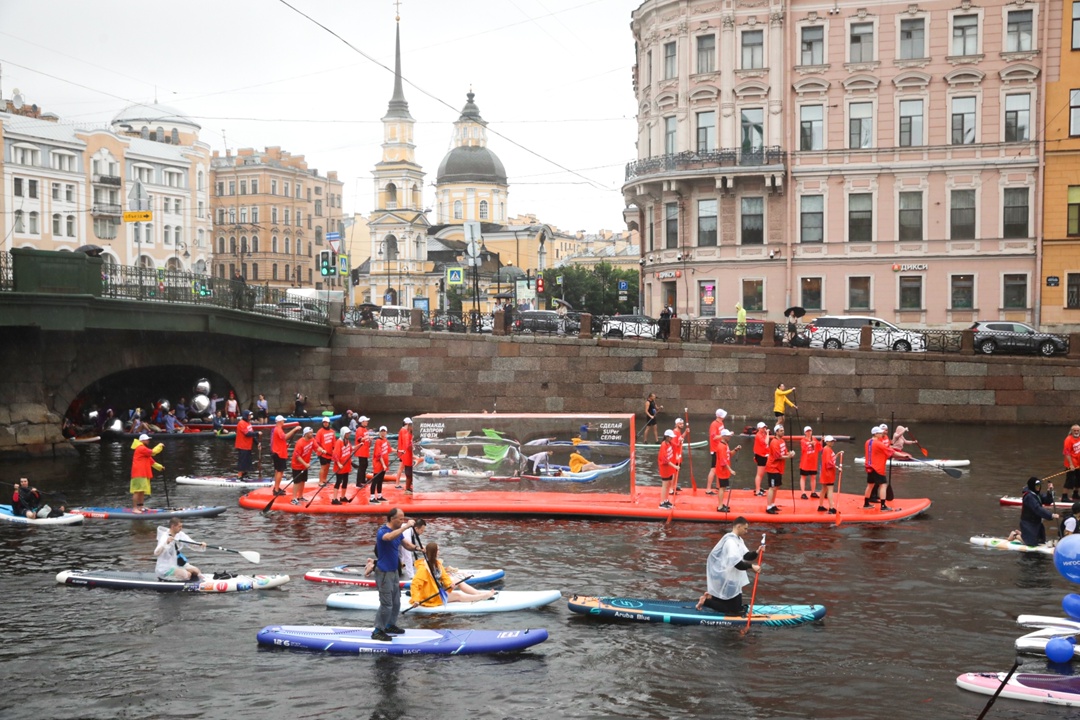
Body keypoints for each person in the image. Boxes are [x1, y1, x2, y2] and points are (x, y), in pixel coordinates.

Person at [696, 517, 761, 615]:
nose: (746, 531)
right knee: (732, 610)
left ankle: (711, 597)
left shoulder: (739, 540)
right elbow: (737, 564)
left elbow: (746, 555)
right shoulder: (730, 542)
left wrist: (757, 551)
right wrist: (752, 567)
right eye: (745, 528)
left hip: (733, 577)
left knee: (736, 607)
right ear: (739, 526)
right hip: (727, 578)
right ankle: (706, 601)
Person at [371, 508, 415, 641]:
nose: (402, 521)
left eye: (403, 519)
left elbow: (406, 545)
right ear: (391, 519)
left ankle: (390, 625)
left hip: (394, 572)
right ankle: (378, 630)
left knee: (396, 602)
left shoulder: (398, 534)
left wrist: (418, 548)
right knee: (387, 604)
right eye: (400, 519)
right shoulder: (383, 531)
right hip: (383, 573)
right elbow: (389, 537)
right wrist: (406, 526)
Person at [409, 542, 495, 606]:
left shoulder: (437, 564)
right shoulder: (423, 569)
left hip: (439, 590)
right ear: (434, 552)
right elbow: (415, 585)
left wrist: (450, 584)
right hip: (431, 596)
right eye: (438, 550)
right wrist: (416, 600)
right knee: (458, 595)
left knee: (457, 581)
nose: (439, 551)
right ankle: (482, 597)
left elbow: (445, 578)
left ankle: (478, 593)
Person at [1006, 477, 1059, 546]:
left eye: (1039, 485)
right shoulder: (1029, 496)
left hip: (1037, 523)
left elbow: (1047, 501)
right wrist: (1051, 515)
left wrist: (1049, 491)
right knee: (1031, 544)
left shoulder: (1036, 494)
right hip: (1028, 523)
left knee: (1041, 541)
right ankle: (1015, 535)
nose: (1038, 487)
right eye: (1037, 486)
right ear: (1032, 486)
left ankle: (1021, 534)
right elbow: (1037, 508)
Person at [863, 425, 897, 511]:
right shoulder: (878, 443)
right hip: (877, 468)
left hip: (869, 466)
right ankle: (883, 506)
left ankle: (866, 504)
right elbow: (890, 452)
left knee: (870, 485)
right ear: (875, 434)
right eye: (880, 433)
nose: (882, 434)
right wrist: (904, 455)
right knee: (883, 485)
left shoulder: (867, 442)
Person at [130, 434, 165, 513]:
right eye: (147, 439)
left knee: (142, 490)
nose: (148, 441)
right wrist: (159, 446)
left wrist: (160, 467)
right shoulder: (141, 448)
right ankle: (134, 508)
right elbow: (153, 452)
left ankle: (140, 506)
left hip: (143, 473)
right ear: (142, 441)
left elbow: (150, 461)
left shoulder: (144, 449)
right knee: (137, 491)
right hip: (138, 473)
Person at [764, 424, 795, 514]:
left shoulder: (782, 441)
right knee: (772, 487)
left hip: (779, 468)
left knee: (776, 487)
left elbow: (785, 452)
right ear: (776, 432)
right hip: (772, 468)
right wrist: (788, 457)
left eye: (783, 430)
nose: (783, 432)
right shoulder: (774, 442)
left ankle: (773, 504)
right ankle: (769, 506)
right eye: (781, 430)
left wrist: (790, 453)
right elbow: (778, 456)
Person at [270, 415, 300, 496]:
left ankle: (276, 487)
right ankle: (276, 489)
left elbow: (278, 441)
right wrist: (294, 429)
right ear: (280, 421)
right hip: (279, 453)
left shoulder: (275, 429)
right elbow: (285, 437)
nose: (284, 422)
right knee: (280, 471)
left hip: (277, 452)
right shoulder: (278, 429)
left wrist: (285, 445)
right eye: (283, 421)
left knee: (278, 470)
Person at [714, 429, 739, 513]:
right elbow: (723, 461)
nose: (729, 437)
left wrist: (735, 450)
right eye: (728, 436)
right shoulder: (721, 446)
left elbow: (729, 455)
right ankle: (720, 506)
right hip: (722, 471)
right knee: (721, 488)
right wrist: (730, 470)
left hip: (724, 471)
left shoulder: (725, 445)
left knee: (723, 488)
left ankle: (721, 504)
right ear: (723, 436)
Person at [290, 426, 315, 505]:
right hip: (297, 465)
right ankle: (293, 499)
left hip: (305, 465)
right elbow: (297, 456)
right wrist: (305, 464)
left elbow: (317, 447)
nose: (312, 434)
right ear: (306, 433)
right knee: (297, 482)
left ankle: (300, 496)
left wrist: (322, 450)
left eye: (312, 432)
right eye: (310, 433)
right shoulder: (300, 442)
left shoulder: (312, 440)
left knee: (303, 481)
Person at [705, 408, 728, 495]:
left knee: (720, 468)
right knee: (713, 469)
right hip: (715, 449)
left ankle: (719, 487)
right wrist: (724, 435)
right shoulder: (714, 425)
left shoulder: (721, 423)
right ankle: (708, 489)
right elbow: (714, 437)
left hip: (720, 448)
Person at [330, 427, 354, 505]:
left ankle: (342, 497)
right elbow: (335, 454)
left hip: (346, 466)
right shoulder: (339, 442)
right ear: (343, 434)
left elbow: (351, 449)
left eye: (349, 433)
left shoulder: (347, 441)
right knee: (338, 481)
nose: (348, 435)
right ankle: (334, 498)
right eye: (347, 433)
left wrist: (359, 445)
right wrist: (339, 463)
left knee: (345, 481)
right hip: (340, 466)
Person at [817, 437, 841, 514]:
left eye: (833, 441)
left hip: (826, 472)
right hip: (828, 473)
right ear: (826, 442)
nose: (832, 442)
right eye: (831, 441)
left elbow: (832, 459)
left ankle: (820, 506)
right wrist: (837, 468)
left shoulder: (828, 449)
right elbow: (828, 463)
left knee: (824, 489)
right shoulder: (827, 450)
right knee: (830, 489)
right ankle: (831, 508)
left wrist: (838, 454)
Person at [657, 429, 680, 509]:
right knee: (665, 485)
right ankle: (662, 502)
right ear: (666, 437)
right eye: (670, 437)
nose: (672, 438)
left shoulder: (670, 443)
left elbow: (676, 445)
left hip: (669, 468)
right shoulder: (664, 445)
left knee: (669, 483)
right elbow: (665, 459)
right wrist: (675, 466)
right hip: (665, 468)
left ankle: (666, 500)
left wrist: (680, 440)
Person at [798, 426, 822, 500]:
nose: (809, 433)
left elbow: (820, 448)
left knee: (813, 477)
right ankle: (803, 493)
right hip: (805, 462)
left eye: (810, 431)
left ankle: (813, 492)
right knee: (803, 477)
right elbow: (804, 447)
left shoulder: (815, 439)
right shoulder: (802, 440)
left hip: (813, 462)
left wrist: (821, 442)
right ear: (805, 432)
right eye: (807, 431)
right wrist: (811, 443)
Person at [370, 426, 392, 503]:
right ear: (379, 432)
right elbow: (379, 455)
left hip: (384, 465)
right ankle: (372, 497)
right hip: (378, 464)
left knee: (380, 481)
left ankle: (379, 496)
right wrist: (383, 465)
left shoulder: (385, 440)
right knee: (375, 480)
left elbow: (390, 449)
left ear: (386, 432)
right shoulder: (378, 441)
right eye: (382, 431)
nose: (383, 432)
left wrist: (400, 451)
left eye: (384, 431)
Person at [314, 416, 336, 491]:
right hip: (322, 453)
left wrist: (334, 450)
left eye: (327, 422)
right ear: (322, 423)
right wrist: (322, 449)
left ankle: (324, 479)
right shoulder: (320, 431)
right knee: (323, 467)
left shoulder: (332, 432)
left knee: (327, 466)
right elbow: (317, 442)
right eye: (324, 423)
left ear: (329, 423)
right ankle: (320, 481)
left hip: (329, 453)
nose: (325, 424)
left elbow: (334, 443)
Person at [234, 410, 258, 480]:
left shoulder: (248, 423)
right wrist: (257, 433)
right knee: (242, 461)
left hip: (248, 446)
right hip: (242, 446)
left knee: (247, 461)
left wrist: (257, 443)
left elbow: (252, 435)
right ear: (246, 416)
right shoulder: (241, 423)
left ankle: (244, 474)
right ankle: (239, 476)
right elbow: (247, 434)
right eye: (249, 415)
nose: (250, 417)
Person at [669, 417, 689, 495]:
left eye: (682, 424)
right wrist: (676, 455)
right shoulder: (674, 432)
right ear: (676, 424)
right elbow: (674, 445)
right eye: (680, 424)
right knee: (674, 472)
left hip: (678, 455)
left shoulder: (678, 432)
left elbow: (680, 438)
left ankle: (674, 485)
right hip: (675, 455)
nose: (682, 425)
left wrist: (685, 433)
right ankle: (671, 489)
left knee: (676, 472)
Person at [354, 415, 372, 495]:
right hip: (361, 450)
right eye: (366, 421)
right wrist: (367, 438)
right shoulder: (359, 429)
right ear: (362, 422)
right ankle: (358, 482)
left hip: (365, 450)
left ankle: (363, 480)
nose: (367, 422)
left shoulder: (365, 429)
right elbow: (359, 439)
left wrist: (369, 439)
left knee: (365, 465)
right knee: (362, 466)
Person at [398, 417, 415, 493]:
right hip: (407, 456)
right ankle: (407, 488)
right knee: (408, 473)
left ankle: (408, 487)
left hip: (408, 456)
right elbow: (408, 447)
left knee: (409, 473)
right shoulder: (406, 434)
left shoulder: (409, 434)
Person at [752, 421, 769, 497]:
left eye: (765, 427)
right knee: (759, 474)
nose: (764, 428)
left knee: (762, 473)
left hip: (764, 455)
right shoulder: (758, 435)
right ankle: (757, 490)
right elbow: (766, 442)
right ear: (759, 428)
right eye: (763, 427)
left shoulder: (763, 434)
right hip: (760, 456)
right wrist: (768, 434)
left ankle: (758, 487)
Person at [1064, 425, 1080, 502]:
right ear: (1072, 431)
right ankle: (1064, 497)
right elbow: (1066, 452)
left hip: (1079, 464)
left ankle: (1075, 494)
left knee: (1078, 479)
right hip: (1071, 464)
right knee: (1070, 480)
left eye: (1078, 430)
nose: (1076, 432)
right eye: (1075, 430)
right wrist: (1071, 464)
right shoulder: (1068, 439)